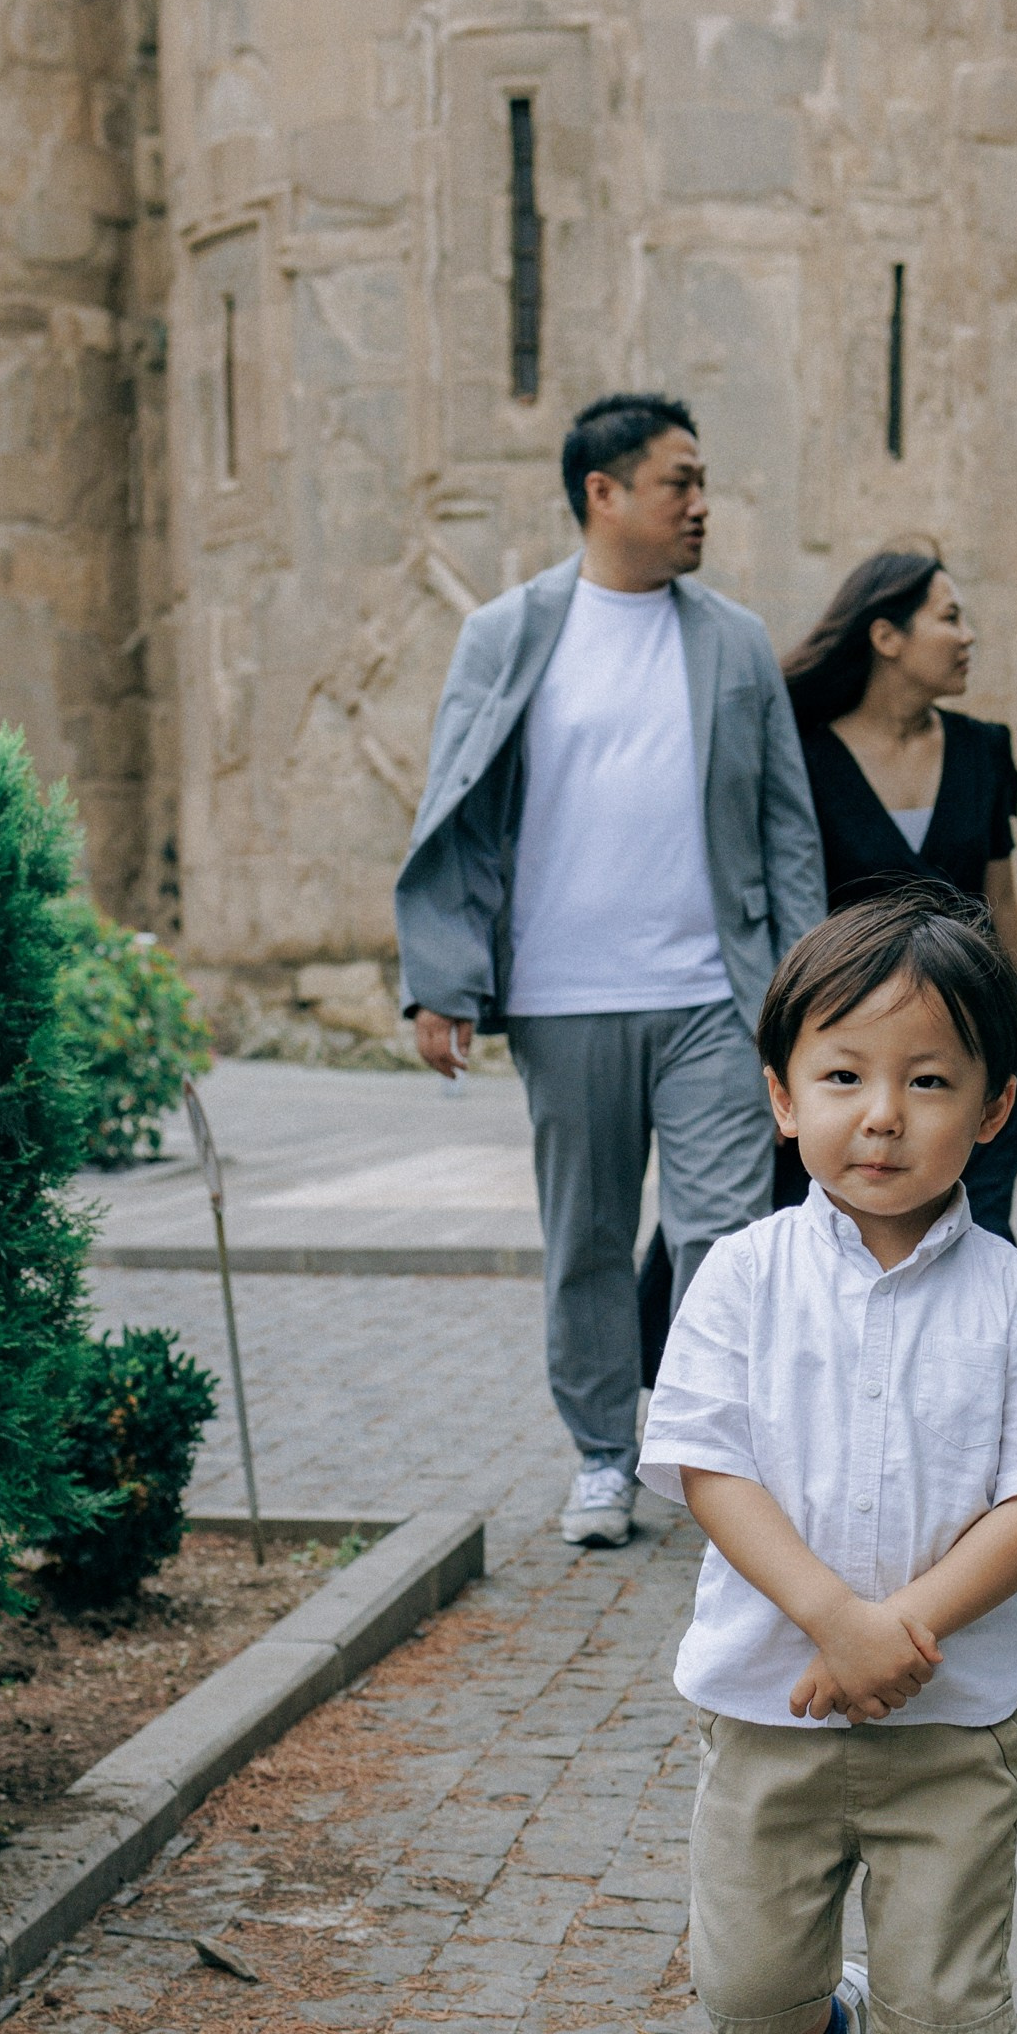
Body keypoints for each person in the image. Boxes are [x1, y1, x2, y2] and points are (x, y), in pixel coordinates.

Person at [638, 889, 1017, 2034]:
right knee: (746, 1980)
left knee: (946, 1981)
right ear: (783, 1099)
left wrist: (903, 1626)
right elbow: (707, 1462)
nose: (884, 1118)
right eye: (845, 1078)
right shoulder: (740, 1274)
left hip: (951, 1719)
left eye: (930, 1081)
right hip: (769, 1712)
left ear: (996, 1108)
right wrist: (830, 1616)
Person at [395, 394, 825, 1548]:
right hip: (561, 997)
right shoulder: (506, 633)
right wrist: (443, 980)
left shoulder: (731, 638)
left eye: (700, 482)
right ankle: (599, 1455)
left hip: (712, 998)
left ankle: (705, 1451)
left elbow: (786, 825)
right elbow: (462, 813)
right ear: (604, 494)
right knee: (585, 1239)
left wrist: (802, 999)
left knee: (723, 1237)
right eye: (678, 482)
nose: (699, 504)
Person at [780, 551, 1017, 1240]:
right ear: (886, 637)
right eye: (949, 618)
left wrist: (1016, 1020)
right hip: (855, 1059)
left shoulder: (983, 750)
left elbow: (999, 897)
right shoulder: (802, 756)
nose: (968, 636)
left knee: (983, 1233)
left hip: (964, 1042)